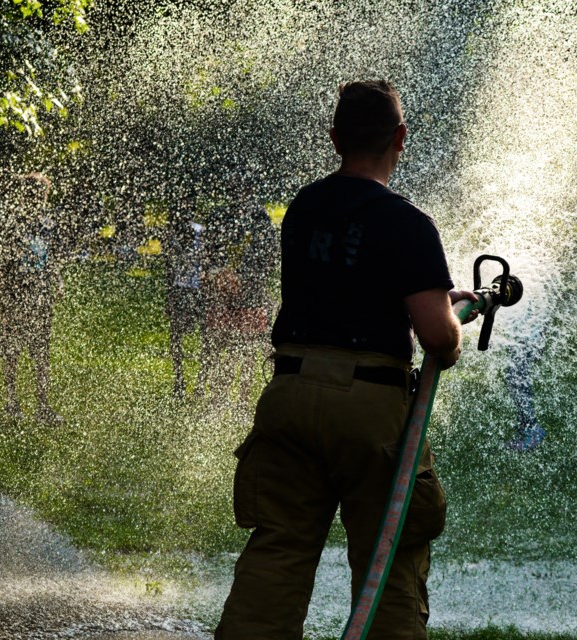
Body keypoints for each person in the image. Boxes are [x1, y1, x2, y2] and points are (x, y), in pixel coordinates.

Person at [214, 80, 478, 640]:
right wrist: (452, 318)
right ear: (400, 139)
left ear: (335, 138)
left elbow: (339, 288)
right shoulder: (408, 223)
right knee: (390, 562)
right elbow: (438, 339)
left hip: (288, 395)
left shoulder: (304, 208)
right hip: (368, 407)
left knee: (276, 556)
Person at [196, 178, 279, 403]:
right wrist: (215, 275)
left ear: (250, 190)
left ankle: (242, 400)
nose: (240, 194)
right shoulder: (219, 217)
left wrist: (251, 279)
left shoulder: (260, 219)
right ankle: (216, 397)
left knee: (248, 348)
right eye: (235, 189)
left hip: (251, 293)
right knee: (217, 345)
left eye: (244, 189)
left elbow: (270, 256)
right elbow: (205, 255)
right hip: (222, 293)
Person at [0, 172, 64, 423]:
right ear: (25, 196)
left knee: (41, 351)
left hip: (40, 293)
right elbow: (3, 266)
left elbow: (51, 257)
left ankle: (42, 407)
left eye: (41, 195)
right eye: (34, 195)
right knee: (12, 351)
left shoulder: (47, 224)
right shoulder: (13, 224)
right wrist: (4, 303)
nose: (38, 199)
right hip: (16, 293)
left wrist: (57, 279)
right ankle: (12, 404)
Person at [164, 191, 208, 400]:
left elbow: (208, 258)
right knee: (176, 336)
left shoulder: (201, 231)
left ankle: (200, 382)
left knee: (205, 337)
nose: (186, 210)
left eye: (189, 206)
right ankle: (179, 380)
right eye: (183, 206)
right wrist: (169, 295)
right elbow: (168, 267)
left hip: (198, 288)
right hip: (179, 288)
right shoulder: (171, 234)